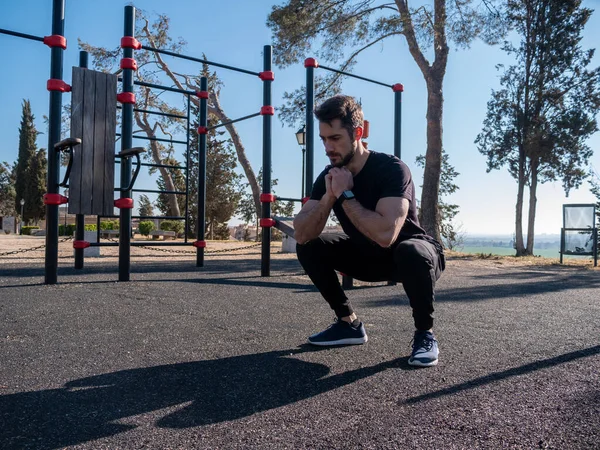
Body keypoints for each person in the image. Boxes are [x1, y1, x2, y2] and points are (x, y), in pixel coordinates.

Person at [293, 95, 445, 367]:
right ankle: (348, 324)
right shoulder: (330, 175)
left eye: (336, 138)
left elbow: (387, 234)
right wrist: (330, 197)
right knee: (310, 246)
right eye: (324, 139)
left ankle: (425, 334)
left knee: (410, 251)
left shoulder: (392, 169)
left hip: (413, 254)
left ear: (358, 133)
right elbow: (302, 233)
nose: (329, 147)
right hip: (368, 255)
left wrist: (347, 195)